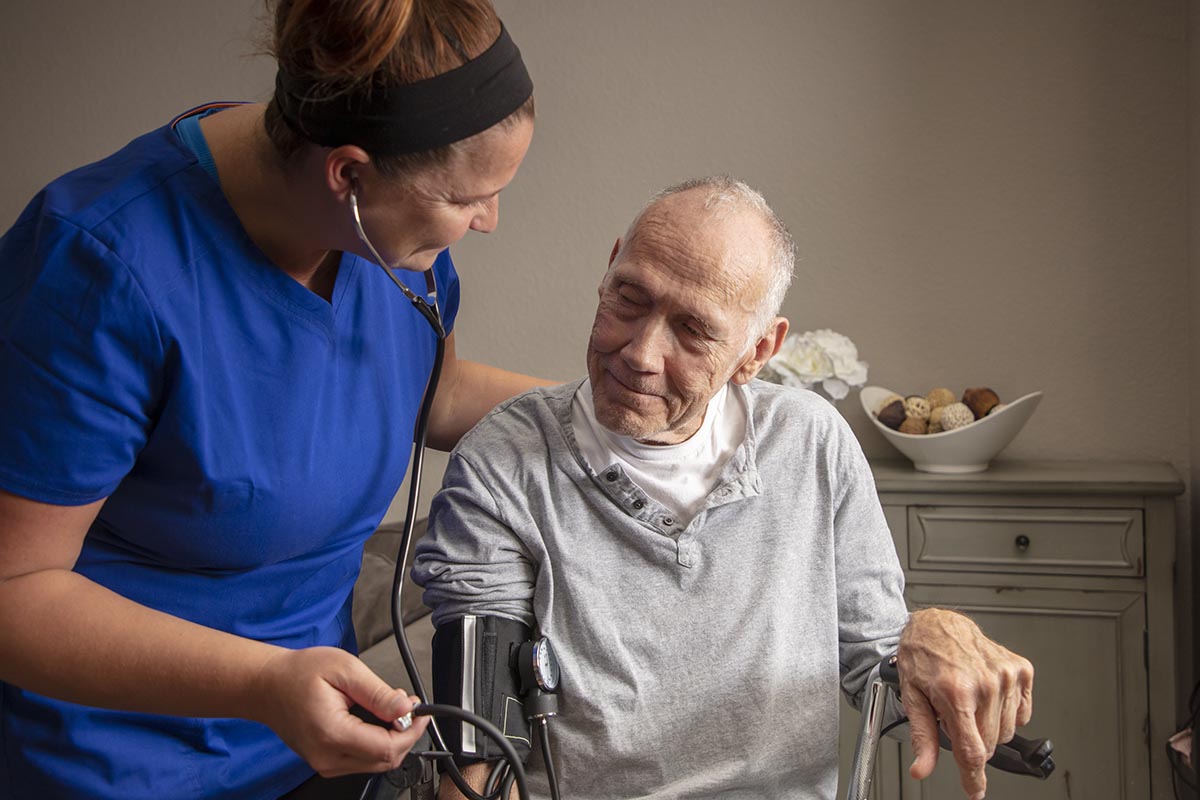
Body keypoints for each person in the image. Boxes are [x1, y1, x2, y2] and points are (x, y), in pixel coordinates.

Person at [0, 1, 548, 797]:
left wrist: (611, 409)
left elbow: (432, 390)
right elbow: (14, 593)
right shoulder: (99, 266)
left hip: (320, 735)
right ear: (349, 174)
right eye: (469, 198)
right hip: (121, 761)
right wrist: (264, 684)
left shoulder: (386, 237)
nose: (488, 220)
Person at [413, 176, 1035, 800]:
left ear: (757, 350)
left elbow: (874, 669)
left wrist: (925, 641)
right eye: (629, 298)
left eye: (693, 329)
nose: (641, 353)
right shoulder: (503, 461)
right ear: (608, 270)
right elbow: (480, 750)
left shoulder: (811, 442)